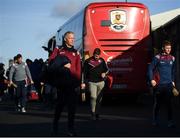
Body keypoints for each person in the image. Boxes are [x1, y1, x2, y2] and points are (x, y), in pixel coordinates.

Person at [49, 31, 81, 136]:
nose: (73, 40)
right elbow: (51, 63)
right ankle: (55, 127)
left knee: (72, 109)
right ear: (65, 39)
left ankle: (70, 129)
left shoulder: (76, 53)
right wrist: (62, 64)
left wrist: (79, 83)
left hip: (72, 85)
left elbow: (78, 69)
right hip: (61, 84)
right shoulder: (58, 50)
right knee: (59, 107)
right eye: (71, 38)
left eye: (73, 38)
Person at [148, 40, 176, 128]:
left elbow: (173, 71)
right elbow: (150, 69)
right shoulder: (157, 58)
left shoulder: (172, 58)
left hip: (168, 85)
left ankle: (170, 121)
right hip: (159, 85)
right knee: (158, 104)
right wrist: (152, 79)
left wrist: (173, 80)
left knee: (169, 104)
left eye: (170, 48)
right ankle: (155, 120)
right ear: (163, 48)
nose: (169, 50)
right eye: (167, 48)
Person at [82, 48, 109, 120]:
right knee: (93, 97)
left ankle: (97, 114)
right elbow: (84, 72)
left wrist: (104, 73)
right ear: (93, 54)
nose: (97, 57)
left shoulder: (102, 60)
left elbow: (107, 70)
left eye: (98, 56)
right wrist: (83, 82)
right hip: (92, 82)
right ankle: (92, 114)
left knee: (99, 99)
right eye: (95, 55)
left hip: (101, 82)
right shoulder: (88, 61)